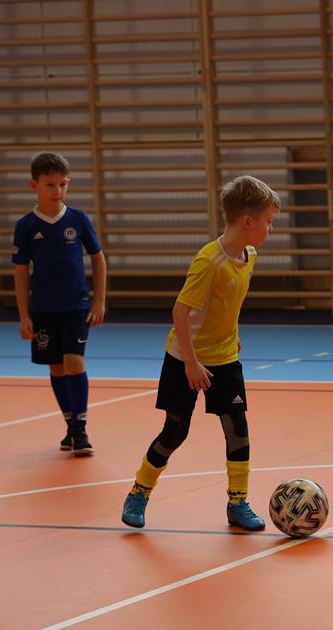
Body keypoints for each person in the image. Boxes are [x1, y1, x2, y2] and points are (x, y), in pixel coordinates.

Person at [120, 176, 280, 531]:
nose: (271, 228)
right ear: (247, 221)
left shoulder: (250, 256)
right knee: (175, 431)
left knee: (237, 429)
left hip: (225, 357)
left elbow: (226, 304)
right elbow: (180, 312)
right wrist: (191, 362)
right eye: (268, 221)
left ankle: (237, 503)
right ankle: (139, 492)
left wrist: (231, 335)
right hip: (185, 358)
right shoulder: (209, 261)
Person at [12, 151, 107, 456]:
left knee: (74, 361)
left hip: (76, 305)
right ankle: (70, 427)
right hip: (43, 309)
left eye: (63, 184)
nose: (57, 191)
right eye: (50, 184)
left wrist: (99, 300)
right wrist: (24, 316)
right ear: (34, 185)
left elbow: (98, 258)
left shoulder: (78, 219)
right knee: (56, 367)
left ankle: (80, 430)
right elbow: (21, 273)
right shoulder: (26, 225)